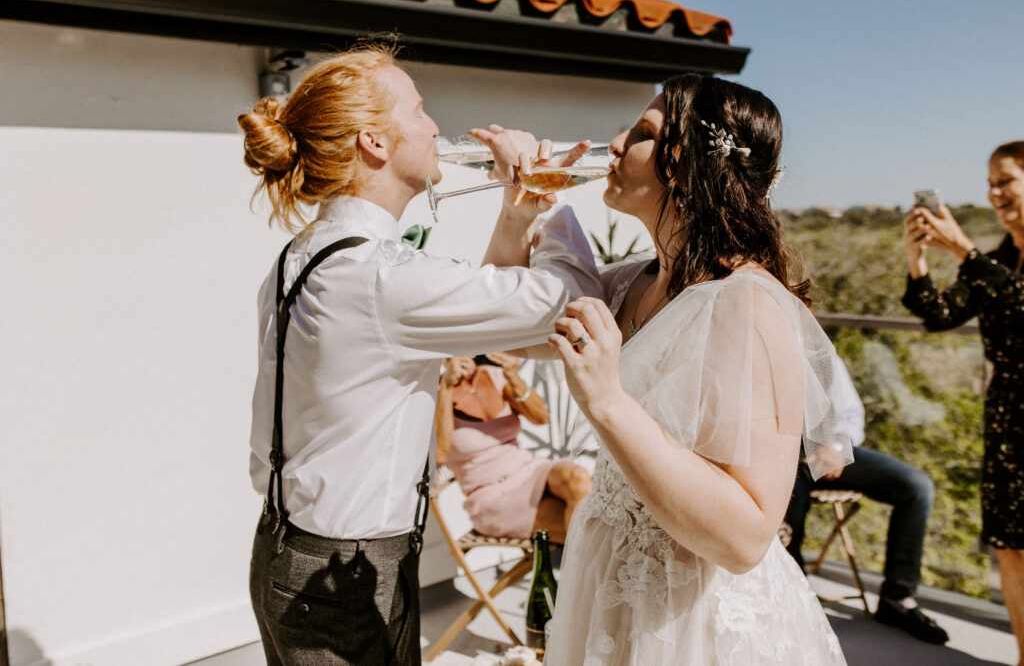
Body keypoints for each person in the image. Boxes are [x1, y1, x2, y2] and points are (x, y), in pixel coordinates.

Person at [239, 42, 601, 665]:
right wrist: (549, 188)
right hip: (343, 573)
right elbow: (570, 303)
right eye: (419, 109)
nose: (436, 127)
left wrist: (516, 216)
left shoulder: (313, 252)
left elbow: (483, 325)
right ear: (375, 143)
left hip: (296, 550)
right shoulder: (377, 274)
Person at [508, 73, 855, 664]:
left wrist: (607, 403)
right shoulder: (632, 281)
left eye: (642, 132)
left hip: (694, 612)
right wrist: (520, 209)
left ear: (691, 166)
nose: (614, 144)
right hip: (610, 580)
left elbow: (747, 537)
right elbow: (513, 333)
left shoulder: (750, 303)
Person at [901, 140, 1024, 663]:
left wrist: (964, 252)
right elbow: (939, 314)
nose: (995, 193)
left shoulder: (984, 260)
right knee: (1010, 544)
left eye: (1006, 181)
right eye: (990, 184)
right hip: (1007, 418)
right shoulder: (996, 259)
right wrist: (918, 257)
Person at [783, 353, 948, 644]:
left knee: (916, 486)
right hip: (779, 456)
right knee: (789, 499)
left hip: (824, 449)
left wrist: (836, 447)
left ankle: (898, 598)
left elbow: (850, 415)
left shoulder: (818, 348)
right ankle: (794, 597)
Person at [435, 353, 592, 544]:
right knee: (585, 527)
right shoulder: (435, 396)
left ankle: (584, 567)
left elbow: (541, 417)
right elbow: (440, 452)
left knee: (577, 478)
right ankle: (582, 569)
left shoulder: (493, 375)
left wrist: (513, 376)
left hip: (530, 470)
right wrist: (446, 387)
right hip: (491, 495)